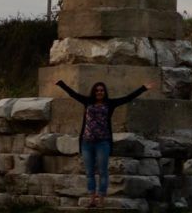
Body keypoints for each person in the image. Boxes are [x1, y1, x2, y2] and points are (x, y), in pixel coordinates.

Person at [56, 78, 154, 206]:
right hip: (87, 143)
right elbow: (73, 94)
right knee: (89, 173)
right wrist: (61, 84)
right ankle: (92, 199)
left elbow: (127, 98)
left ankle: (101, 199)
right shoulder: (87, 101)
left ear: (105, 92)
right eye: (97, 90)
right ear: (94, 92)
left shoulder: (110, 104)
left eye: (101, 90)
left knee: (103, 172)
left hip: (103, 143)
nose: (99, 92)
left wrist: (143, 88)